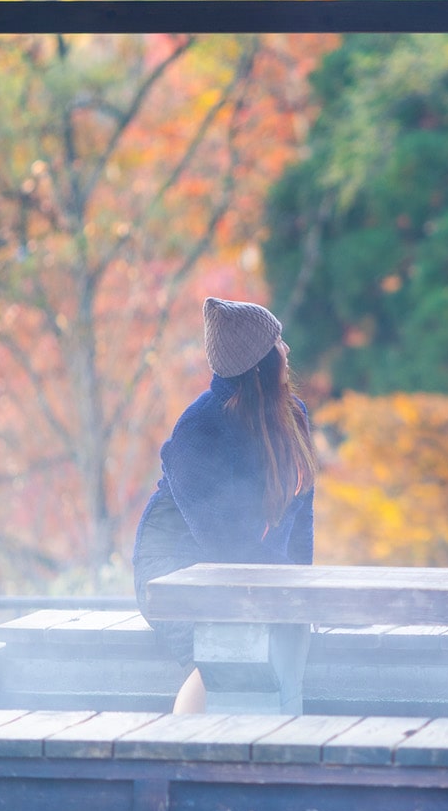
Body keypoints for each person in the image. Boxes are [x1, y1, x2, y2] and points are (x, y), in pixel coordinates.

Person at [132, 297, 317, 714]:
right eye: (277, 343)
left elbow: (299, 518)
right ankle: (180, 753)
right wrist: (290, 587)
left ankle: (273, 750)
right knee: (224, 652)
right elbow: (224, 544)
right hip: (175, 566)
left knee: (286, 633)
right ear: (258, 365)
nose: (286, 350)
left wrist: (306, 590)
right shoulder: (199, 430)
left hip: (236, 566)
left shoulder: (293, 416)